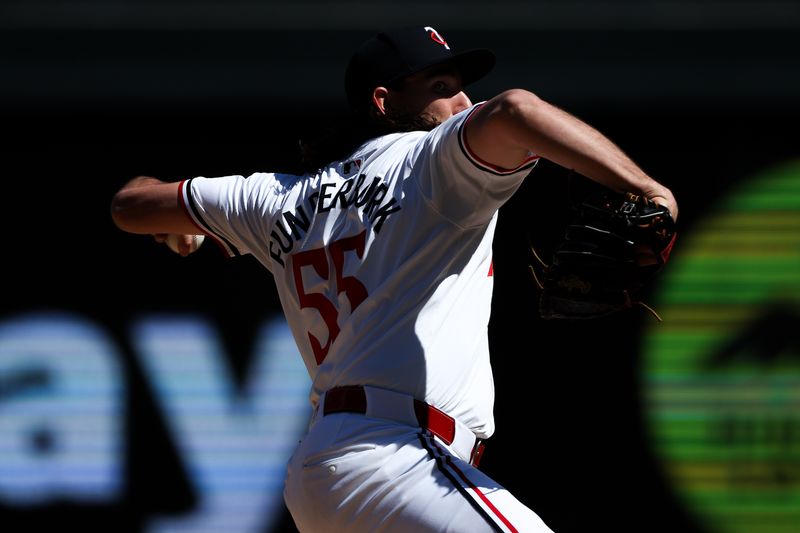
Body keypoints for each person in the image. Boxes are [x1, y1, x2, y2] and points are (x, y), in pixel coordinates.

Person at [111, 25, 678, 533]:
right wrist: (651, 190)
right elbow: (514, 111)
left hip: (323, 474)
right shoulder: (430, 161)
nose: (463, 100)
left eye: (461, 85)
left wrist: (173, 225)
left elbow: (129, 203)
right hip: (400, 456)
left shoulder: (275, 197)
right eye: (441, 85)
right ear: (384, 101)